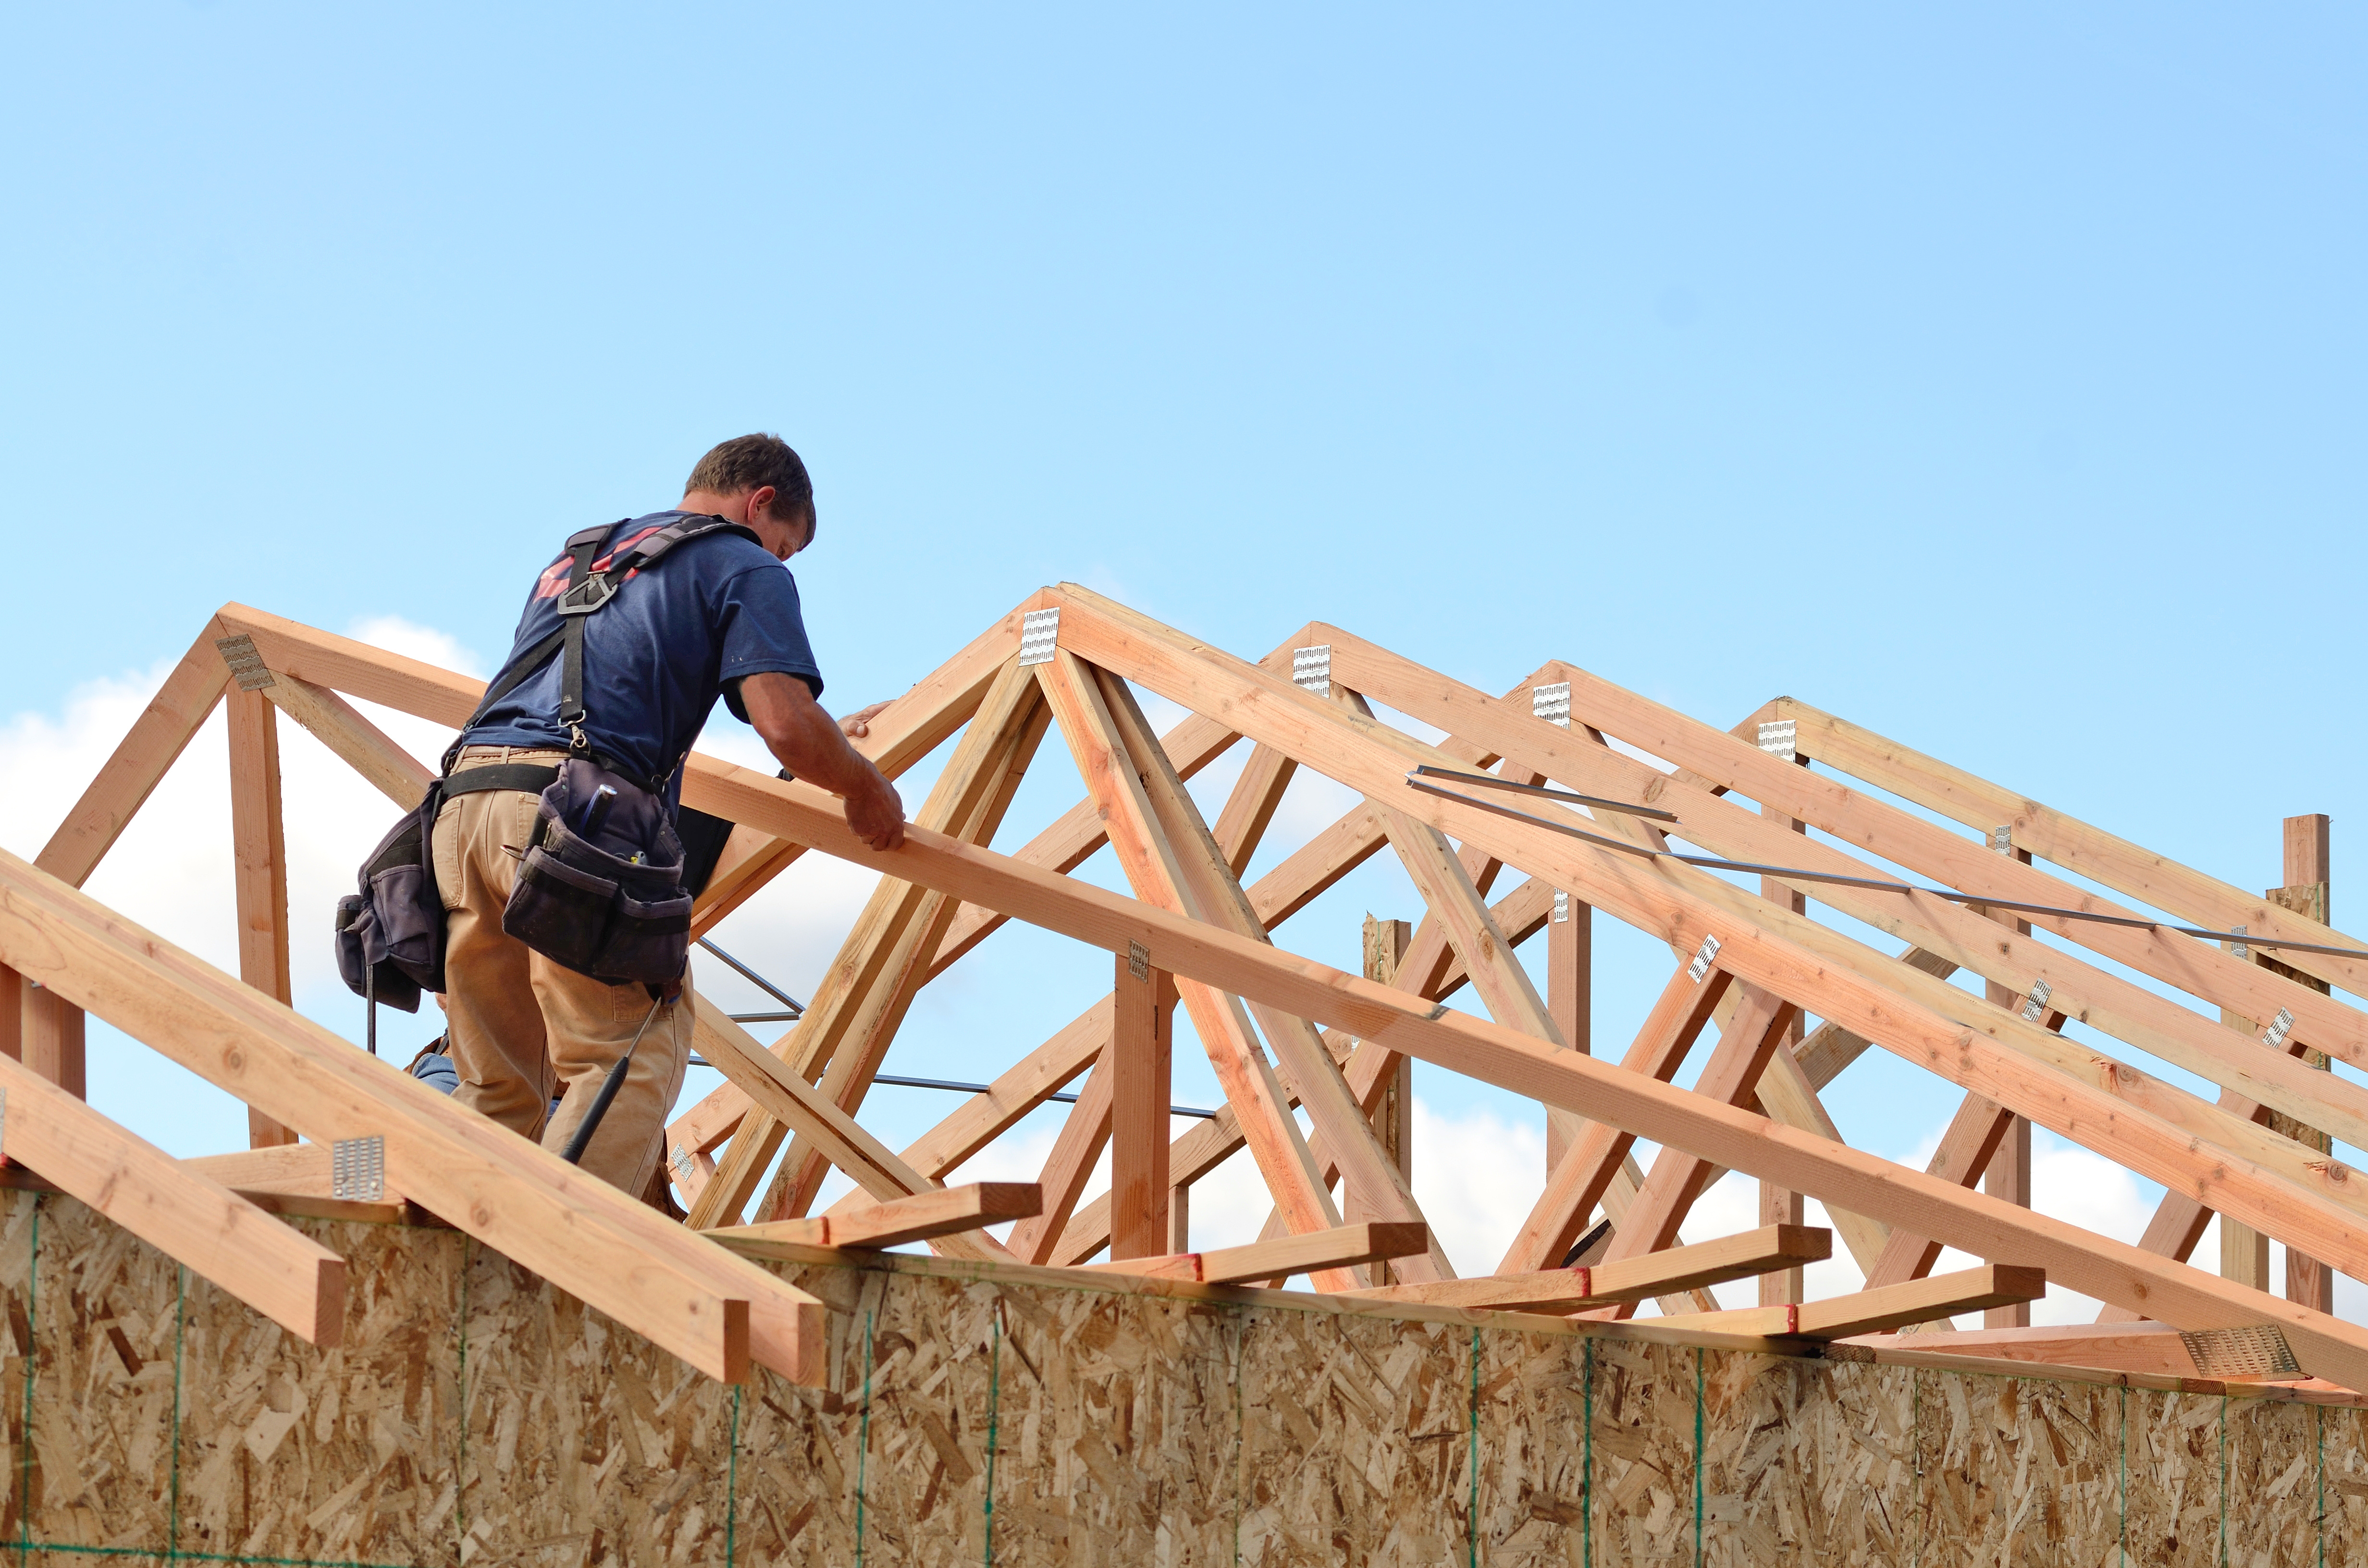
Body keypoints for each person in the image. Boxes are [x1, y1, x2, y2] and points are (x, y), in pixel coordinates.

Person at [431, 433, 904, 1211]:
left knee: (502, 1081)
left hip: (466, 810)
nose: (780, 564)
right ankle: (557, 1259)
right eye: (785, 546)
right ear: (760, 505)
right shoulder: (743, 562)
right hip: (570, 817)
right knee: (632, 1049)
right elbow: (783, 721)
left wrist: (811, 758)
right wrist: (860, 786)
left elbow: (611, 700)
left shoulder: (584, 557)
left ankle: (476, 1270)